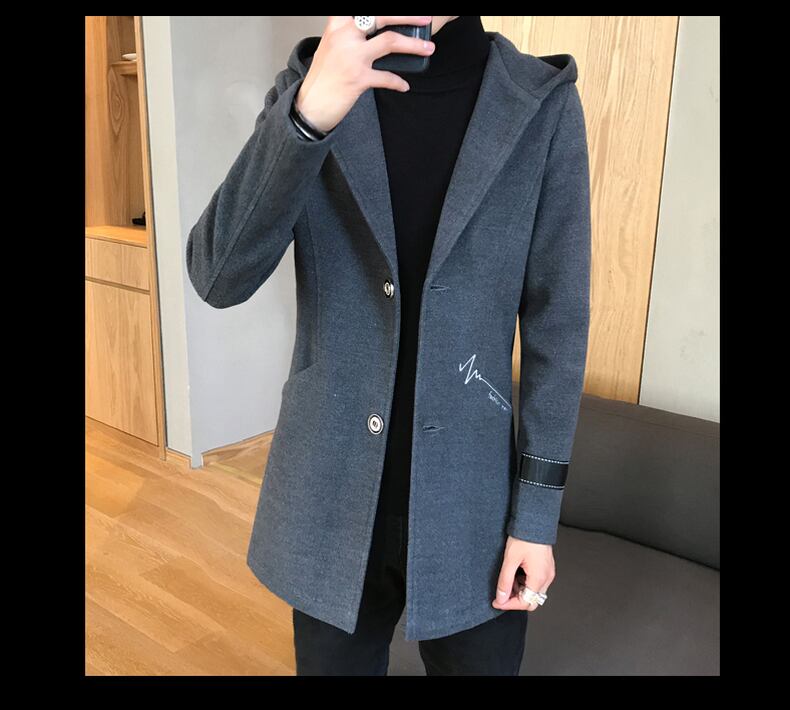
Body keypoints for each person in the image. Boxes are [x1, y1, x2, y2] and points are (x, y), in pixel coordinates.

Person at [186, 15, 590, 675]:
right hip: (330, 496)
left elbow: (558, 325)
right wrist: (307, 118)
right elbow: (217, 275)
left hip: (474, 512)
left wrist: (537, 518)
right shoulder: (311, 84)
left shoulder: (541, 104)